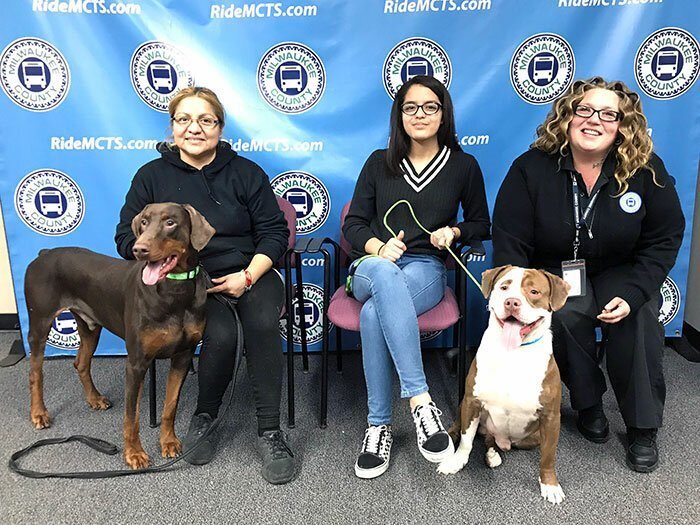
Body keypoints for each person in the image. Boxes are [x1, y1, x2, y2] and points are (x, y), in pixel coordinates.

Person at [492, 77, 684, 472]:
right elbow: (510, 240)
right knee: (563, 314)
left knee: (639, 316)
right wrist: (521, 293)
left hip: (622, 270)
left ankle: (642, 425)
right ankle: (588, 403)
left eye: (608, 114)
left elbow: (665, 237)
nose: (594, 120)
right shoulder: (531, 168)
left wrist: (634, 293)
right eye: (584, 110)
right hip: (556, 272)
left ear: (622, 125)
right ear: (567, 117)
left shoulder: (646, 169)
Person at [115, 86, 297, 484]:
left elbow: (274, 233)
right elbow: (127, 239)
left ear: (219, 126)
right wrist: (161, 261)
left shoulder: (246, 173)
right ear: (172, 127)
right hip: (184, 284)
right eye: (184, 120)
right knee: (222, 334)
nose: (194, 128)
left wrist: (248, 275)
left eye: (205, 120)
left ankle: (270, 431)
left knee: (264, 322)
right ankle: (205, 416)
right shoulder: (151, 176)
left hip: (251, 271)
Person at [343, 75, 491, 479]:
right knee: (384, 278)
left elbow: (481, 222)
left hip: (425, 266)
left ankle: (378, 425)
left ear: (443, 114)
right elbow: (355, 223)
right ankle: (421, 400)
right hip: (369, 268)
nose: (420, 115)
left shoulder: (463, 165)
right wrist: (377, 248)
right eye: (411, 107)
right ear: (399, 115)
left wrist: (455, 232)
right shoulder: (379, 162)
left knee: (374, 315)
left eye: (430, 107)